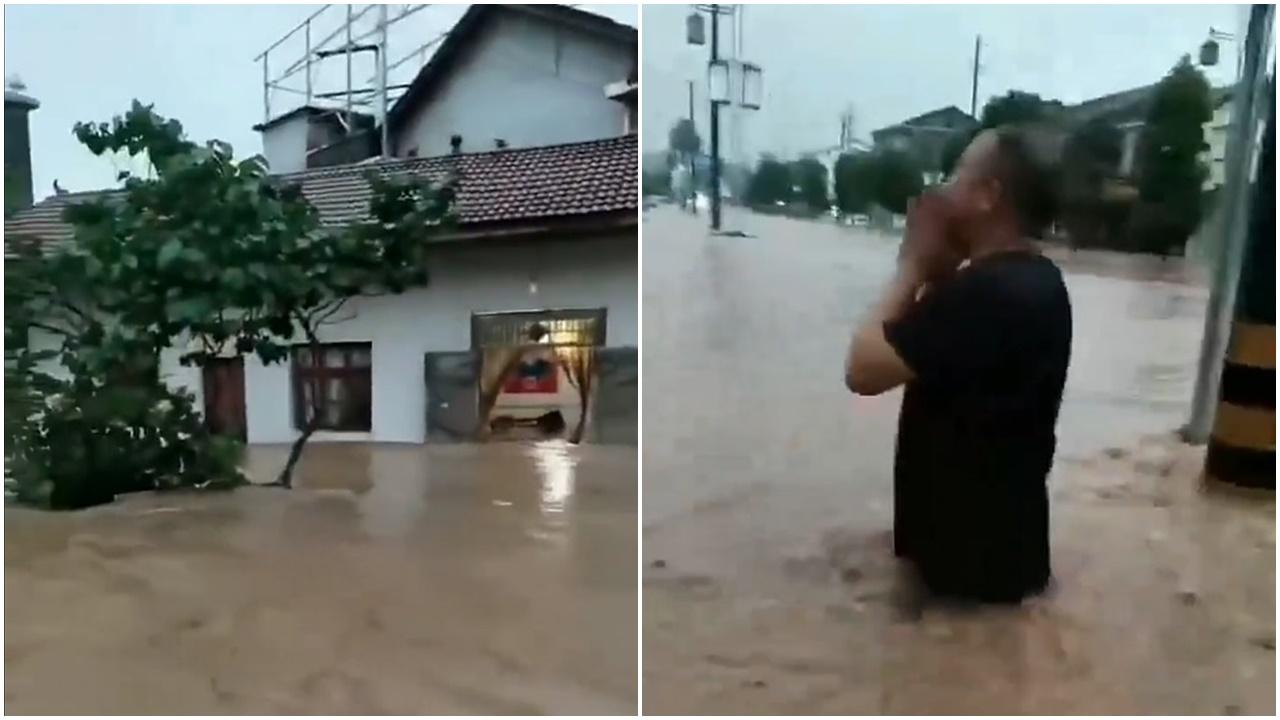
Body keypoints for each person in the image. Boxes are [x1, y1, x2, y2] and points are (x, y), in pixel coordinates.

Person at [843, 126, 1073, 603]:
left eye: (955, 174)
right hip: (1008, 560)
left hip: (963, 578)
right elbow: (937, 351)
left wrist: (911, 263)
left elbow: (863, 370)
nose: (941, 191)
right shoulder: (1038, 280)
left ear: (988, 195)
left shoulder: (986, 293)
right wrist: (939, 272)